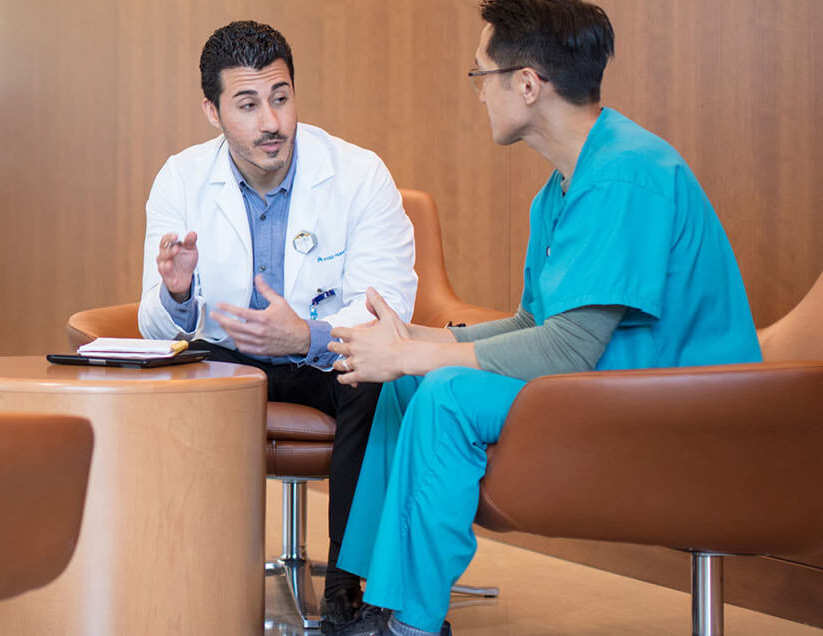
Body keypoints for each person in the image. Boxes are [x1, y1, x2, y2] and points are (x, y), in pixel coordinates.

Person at [326, 1, 762, 634]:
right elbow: (537, 325)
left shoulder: (627, 174)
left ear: (527, 84)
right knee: (408, 382)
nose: (478, 94)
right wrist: (419, 339)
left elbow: (570, 349)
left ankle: (412, 623)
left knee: (444, 390)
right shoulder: (560, 189)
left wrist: (425, 356)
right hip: (607, 385)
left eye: (481, 76)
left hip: (685, 406)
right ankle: (378, 596)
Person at [137, 21, 418, 630]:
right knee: (173, 382)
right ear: (212, 111)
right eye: (247, 104)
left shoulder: (360, 174)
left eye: (281, 97)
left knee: (377, 381)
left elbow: (388, 307)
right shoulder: (181, 179)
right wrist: (178, 292)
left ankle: (349, 585)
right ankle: (187, 573)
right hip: (227, 357)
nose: (271, 121)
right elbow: (156, 325)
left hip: (325, 358)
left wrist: (307, 339)